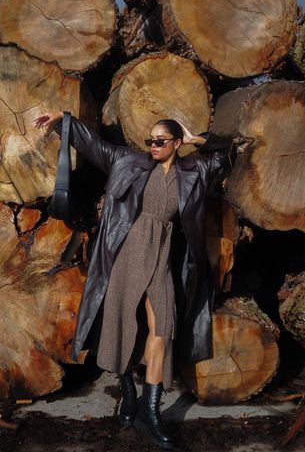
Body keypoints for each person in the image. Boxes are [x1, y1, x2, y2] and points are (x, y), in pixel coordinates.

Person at [33, 111, 233, 450]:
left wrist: (197, 137)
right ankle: (128, 393)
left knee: (162, 328)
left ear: (177, 143)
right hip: (126, 252)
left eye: (160, 140)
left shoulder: (194, 171)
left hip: (162, 255)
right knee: (123, 325)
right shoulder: (128, 160)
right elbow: (93, 144)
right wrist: (62, 120)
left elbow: (228, 151)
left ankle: (149, 411)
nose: (152, 145)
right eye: (149, 140)